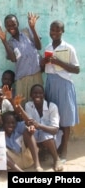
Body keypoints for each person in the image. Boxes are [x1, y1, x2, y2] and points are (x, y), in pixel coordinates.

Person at [40, 20, 80, 162]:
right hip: (51, 83)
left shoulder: (69, 48)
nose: (55, 33)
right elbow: (43, 70)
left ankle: (64, 150)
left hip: (64, 84)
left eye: (58, 30)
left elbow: (76, 69)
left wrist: (59, 62)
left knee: (65, 119)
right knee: (53, 117)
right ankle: (54, 147)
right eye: (52, 30)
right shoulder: (48, 47)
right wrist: (42, 63)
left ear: (63, 31)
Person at [0, 12, 43, 108]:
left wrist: (33, 28)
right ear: (6, 27)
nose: (11, 27)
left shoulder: (27, 32)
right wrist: (4, 41)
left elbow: (39, 46)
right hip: (22, 79)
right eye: (8, 25)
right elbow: (13, 59)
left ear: (18, 24)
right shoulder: (10, 43)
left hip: (36, 75)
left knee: (37, 104)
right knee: (22, 106)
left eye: (13, 24)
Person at [25, 84, 63, 171]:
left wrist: (39, 126)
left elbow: (54, 130)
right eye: (35, 93)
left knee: (46, 136)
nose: (37, 95)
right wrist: (31, 127)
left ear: (44, 95)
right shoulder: (28, 105)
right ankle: (37, 163)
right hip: (36, 134)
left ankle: (56, 159)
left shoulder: (52, 106)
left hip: (50, 136)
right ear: (31, 95)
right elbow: (29, 123)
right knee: (27, 134)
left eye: (40, 93)